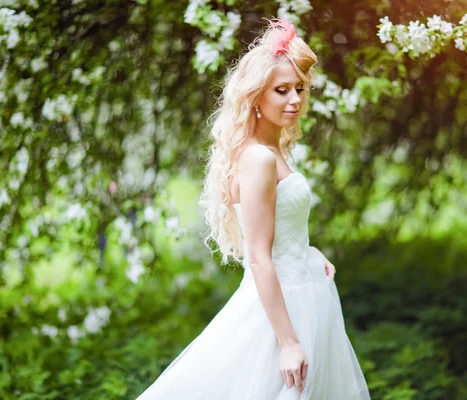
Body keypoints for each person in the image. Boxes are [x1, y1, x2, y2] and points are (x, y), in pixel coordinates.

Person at [136, 18, 370, 400]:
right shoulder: (258, 158)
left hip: (304, 292)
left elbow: (279, 228)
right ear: (256, 96)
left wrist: (307, 252)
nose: (295, 99)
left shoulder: (274, 149)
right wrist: (289, 342)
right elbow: (258, 257)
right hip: (281, 310)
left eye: (299, 89)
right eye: (282, 91)